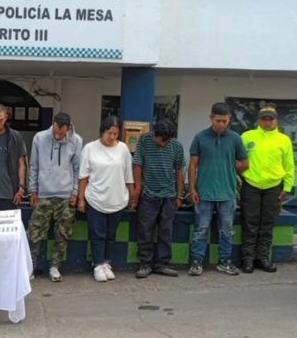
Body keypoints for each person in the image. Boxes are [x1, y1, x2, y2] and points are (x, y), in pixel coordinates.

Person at [188, 103, 249, 277]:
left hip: (228, 193)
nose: (221, 124)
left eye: (225, 121)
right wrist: (192, 189)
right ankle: (196, 261)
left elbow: (245, 163)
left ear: (229, 119)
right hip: (204, 192)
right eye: (218, 120)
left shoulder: (235, 138)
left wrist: (229, 171)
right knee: (201, 229)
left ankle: (224, 261)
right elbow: (193, 165)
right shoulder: (200, 137)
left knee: (227, 230)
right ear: (211, 118)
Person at [77, 116, 135, 283]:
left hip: (117, 199)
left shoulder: (123, 149)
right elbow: (83, 176)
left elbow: (128, 175)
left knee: (111, 234)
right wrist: (81, 199)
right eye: (110, 133)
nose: (112, 137)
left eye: (116, 134)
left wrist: (132, 196)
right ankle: (98, 264)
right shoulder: (90, 148)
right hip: (95, 198)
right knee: (97, 234)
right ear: (102, 131)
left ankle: (107, 262)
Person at [27, 112, 82, 282]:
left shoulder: (76, 140)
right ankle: (30, 267)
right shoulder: (40, 138)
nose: (59, 136)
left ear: (68, 128)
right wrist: (33, 190)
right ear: (53, 125)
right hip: (43, 194)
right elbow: (34, 165)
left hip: (65, 196)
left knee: (63, 234)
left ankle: (55, 267)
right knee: (34, 233)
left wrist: (75, 192)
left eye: (62, 133)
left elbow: (77, 168)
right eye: (57, 132)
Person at [239, 106, 295, 273]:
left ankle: (262, 258)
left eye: (270, 119)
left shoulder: (284, 140)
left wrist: (287, 186)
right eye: (264, 119)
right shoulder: (247, 136)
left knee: (267, 224)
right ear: (258, 120)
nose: (267, 122)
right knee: (250, 223)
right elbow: (238, 161)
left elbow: (289, 165)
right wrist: (239, 180)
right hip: (250, 184)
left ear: (276, 121)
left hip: (274, 187)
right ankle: (247, 259)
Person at [132, 119, 186, 279]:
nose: (163, 144)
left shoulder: (177, 146)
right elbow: (137, 165)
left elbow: (179, 171)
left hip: (168, 196)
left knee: (166, 231)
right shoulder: (144, 141)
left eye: (167, 141)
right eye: (161, 140)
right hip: (148, 195)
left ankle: (162, 265)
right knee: (145, 231)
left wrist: (179, 195)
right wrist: (138, 189)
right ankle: (146, 264)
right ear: (154, 135)